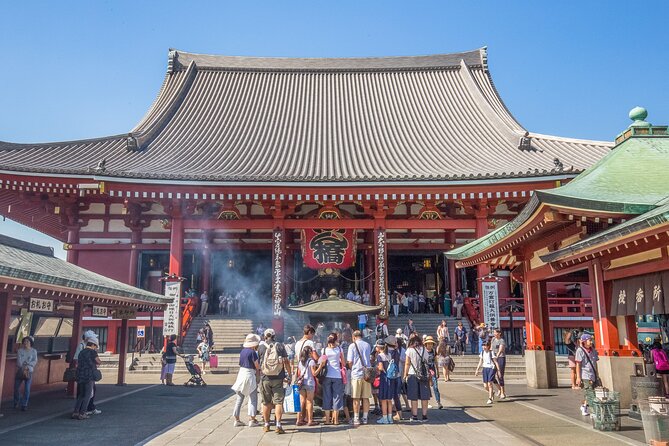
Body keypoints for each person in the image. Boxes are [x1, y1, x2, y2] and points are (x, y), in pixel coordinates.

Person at [258, 328, 291, 434]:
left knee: (266, 402)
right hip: (278, 377)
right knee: (278, 402)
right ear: (274, 336)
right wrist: (289, 375)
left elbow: (258, 364)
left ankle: (267, 425)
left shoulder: (261, 347)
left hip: (265, 378)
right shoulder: (280, 346)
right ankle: (278, 425)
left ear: (265, 336)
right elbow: (286, 362)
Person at [232, 334, 261, 427]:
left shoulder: (242, 351)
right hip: (249, 374)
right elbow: (257, 366)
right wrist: (260, 372)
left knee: (239, 398)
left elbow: (240, 363)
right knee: (253, 398)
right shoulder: (253, 352)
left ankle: (236, 419)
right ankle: (252, 419)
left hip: (241, 373)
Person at [404, 334, 431, 422]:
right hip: (423, 374)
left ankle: (414, 416)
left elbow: (407, 363)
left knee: (413, 396)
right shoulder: (424, 350)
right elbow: (427, 361)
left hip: (412, 374)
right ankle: (424, 416)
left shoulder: (409, 350)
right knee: (424, 396)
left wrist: (405, 374)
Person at [73, 330, 102, 415]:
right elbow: (98, 361)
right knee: (88, 394)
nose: (96, 347)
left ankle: (76, 411)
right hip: (89, 375)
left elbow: (77, 360)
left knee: (81, 394)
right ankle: (83, 412)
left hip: (80, 374)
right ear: (93, 344)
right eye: (95, 345)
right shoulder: (92, 352)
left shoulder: (82, 351)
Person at [347, 330, 372, 426]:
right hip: (367, 374)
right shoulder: (367, 345)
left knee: (356, 398)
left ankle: (356, 417)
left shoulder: (352, 346)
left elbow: (350, 361)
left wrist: (351, 368)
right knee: (365, 397)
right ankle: (365, 417)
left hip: (356, 373)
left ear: (354, 337)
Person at [320, 332, 345, 425]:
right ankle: (336, 420)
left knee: (327, 396)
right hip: (337, 375)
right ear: (336, 340)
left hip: (327, 376)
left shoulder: (324, 350)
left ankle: (327, 420)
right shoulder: (339, 349)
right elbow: (343, 362)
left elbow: (321, 362)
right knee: (337, 397)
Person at [296, 345, 320, 426]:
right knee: (309, 402)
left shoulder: (300, 361)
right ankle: (310, 420)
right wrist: (320, 366)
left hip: (301, 383)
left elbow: (299, 373)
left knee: (301, 401)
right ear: (310, 353)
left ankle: (299, 419)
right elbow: (314, 373)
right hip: (309, 383)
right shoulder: (311, 361)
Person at [575, 333, 599, 416]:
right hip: (585, 375)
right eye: (589, 340)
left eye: (591, 340)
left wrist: (597, 375)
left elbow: (595, 363)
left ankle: (583, 406)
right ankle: (593, 412)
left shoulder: (593, 350)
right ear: (584, 341)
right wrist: (578, 377)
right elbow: (578, 364)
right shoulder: (580, 350)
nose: (591, 342)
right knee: (590, 393)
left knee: (590, 393)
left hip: (593, 374)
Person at [14, 336, 37, 411]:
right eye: (24, 341)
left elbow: (35, 361)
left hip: (29, 371)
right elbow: (19, 361)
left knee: (27, 388)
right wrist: (23, 367)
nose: (25, 343)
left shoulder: (34, 351)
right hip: (20, 370)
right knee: (16, 388)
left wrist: (28, 365)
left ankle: (24, 404)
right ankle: (16, 401)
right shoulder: (20, 351)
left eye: (27, 341)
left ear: (31, 343)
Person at [423, 336, 443, 410]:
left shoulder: (433, 351)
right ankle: (427, 402)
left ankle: (438, 402)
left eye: (431, 344)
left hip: (432, 370)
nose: (430, 345)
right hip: (425, 371)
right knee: (426, 387)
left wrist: (437, 371)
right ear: (426, 344)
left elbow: (435, 361)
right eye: (428, 344)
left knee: (435, 387)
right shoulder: (423, 351)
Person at [491, 329, 507, 399]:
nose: (494, 334)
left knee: (500, 375)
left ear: (499, 333)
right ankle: (499, 388)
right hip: (493, 358)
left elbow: (501, 350)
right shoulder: (493, 339)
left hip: (500, 358)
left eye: (496, 332)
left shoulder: (502, 340)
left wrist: (496, 356)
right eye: (494, 332)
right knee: (491, 375)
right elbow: (491, 348)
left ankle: (503, 392)